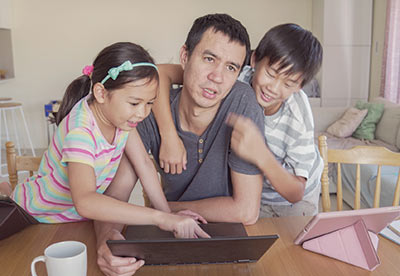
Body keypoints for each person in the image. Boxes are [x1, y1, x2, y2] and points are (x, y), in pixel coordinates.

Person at [94, 14, 264, 276]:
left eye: (231, 67)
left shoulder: (243, 104)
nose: (217, 77)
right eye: (209, 59)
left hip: (228, 243)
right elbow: (115, 197)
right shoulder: (146, 111)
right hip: (172, 241)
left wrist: (160, 211)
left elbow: (246, 211)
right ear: (184, 56)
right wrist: (106, 240)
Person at [0, 42, 209, 239]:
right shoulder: (81, 131)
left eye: (149, 103)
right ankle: (5, 191)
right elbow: (85, 201)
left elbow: (144, 163)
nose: (142, 113)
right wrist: (160, 218)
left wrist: (169, 216)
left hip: (75, 219)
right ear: (100, 93)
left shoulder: (121, 119)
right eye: (135, 103)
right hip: (32, 216)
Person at [157, 23, 324, 217]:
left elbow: (296, 192)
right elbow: (160, 73)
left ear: (300, 86)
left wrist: (260, 154)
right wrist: (169, 135)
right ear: (254, 60)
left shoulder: (297, 116)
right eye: (271, 74)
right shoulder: (234, 75)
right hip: (253, 194)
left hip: (293, 201)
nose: (274, 88)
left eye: (289, 83)